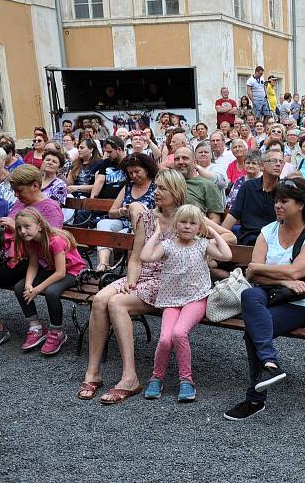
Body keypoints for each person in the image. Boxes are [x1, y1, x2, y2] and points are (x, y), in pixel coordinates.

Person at [76, 170, 232, 402]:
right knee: (100, 299)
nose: (155, 192)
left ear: (176, 191)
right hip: (143, 276)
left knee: (117, 303)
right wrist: (130, 279)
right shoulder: (148, 217)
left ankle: (130, 377)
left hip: (168, 281)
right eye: (156, 187)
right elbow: (137, 258)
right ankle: (93, 372)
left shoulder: (188, 216)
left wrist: (199, 241)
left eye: (162, 188)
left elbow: (230, 237)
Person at [223, 178, 305, 421]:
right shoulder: (268, 230)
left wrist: (273, 272)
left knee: (254, 327)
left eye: (284, 201)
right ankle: (271, 364)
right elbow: (252, 272)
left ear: (301, 205)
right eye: (276, 201)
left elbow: (296, 272)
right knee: (250, 294)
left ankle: (255, 397)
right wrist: (284, 279)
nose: (277, 206)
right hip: (270, 292)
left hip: (303, 301)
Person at [141, 204, 232, 402]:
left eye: (193, 223)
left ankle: (186, 380)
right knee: (165, 338)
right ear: (176, 224)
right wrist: (157, 233)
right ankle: (157, 377)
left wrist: (213, 232)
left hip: (196, 298)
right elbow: (145, 256)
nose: (187, 227)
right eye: (183, 222)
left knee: (179, 333)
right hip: (171, 300)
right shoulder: (168, 245)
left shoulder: (202, 244)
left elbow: (227, 255)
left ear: (199, 227)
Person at [0, 165, 64, 353]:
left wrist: (15, 226)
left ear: (35, 186)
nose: (16, 195)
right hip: (10, 256)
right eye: (14, 191)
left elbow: (53, 239)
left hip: (33, 262)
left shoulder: (50, 207)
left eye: (19, 191)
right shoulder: (20, 204)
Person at [12, 208, 86, 355]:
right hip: (54, 270)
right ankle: (36, 328)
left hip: (73, 271)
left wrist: (37, 289)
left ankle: (57, 332)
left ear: (39, 225)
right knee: (20, 288)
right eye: (19, 228)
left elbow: (61, 273)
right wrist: (29, 284)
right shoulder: (32, 241)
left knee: (52, 292)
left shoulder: (56, 241)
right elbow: (33, 265)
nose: (23, 231)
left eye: (27, 226)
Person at [93, 153, 158, 271]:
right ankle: (104, 264)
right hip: (124, 223)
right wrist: (122, 211)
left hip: (145, 228)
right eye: (130, 173)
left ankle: (132, 269)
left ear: (147, 169)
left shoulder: (156, 187)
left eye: (137, 171)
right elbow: (111, 212)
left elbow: (161, 212)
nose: (133, 176)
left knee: (125, 234)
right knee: (103, 224)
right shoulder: (128, 187)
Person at [222, 148, 282, 245]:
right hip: (248, 239)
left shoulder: (285, 189)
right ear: (262, 166)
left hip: (275, 241)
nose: (278, 164)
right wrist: (221, 236)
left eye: (281, 161)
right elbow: (234, 214)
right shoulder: (248, 186)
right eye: (273, 161)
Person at [172, 147, 225, 223]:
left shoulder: (207, 185)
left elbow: (215, 220)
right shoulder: (169, 183)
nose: (180, 162)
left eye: (185, 158)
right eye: (177, 159)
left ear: (195, 162)